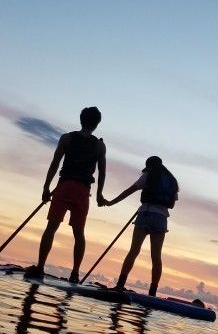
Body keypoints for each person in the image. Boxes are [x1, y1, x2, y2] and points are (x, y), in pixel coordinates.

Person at [25, 106, 106, 282]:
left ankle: (40, 267)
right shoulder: (100, 146)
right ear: (97, 124)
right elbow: (102, 173)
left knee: (51, 228)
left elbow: (54, 164)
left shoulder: (66, 138)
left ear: (81, 119)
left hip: (64, 187)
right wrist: (99, 194)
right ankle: (75, 274)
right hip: (82, 191)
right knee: (79, 233)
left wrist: (46, 187)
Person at [103, 156, 178, 296]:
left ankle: (120, 285)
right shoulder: (172, 181)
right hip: (161, 218)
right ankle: (152, 293)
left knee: (133, 251)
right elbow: (172, 205)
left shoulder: (148, 176)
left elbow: (128, 191)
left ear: (149, 166)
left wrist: (111, 202)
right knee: (156, 257)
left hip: (145, 214)